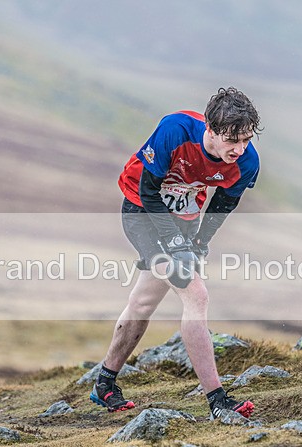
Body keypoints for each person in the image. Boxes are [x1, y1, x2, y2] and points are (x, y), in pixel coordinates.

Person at [90, 87, 262, 419]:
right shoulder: (175, 130)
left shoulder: (247, 161)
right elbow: (148, 191)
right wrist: (174, 245)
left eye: (246, 139)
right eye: (231, 140)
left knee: (143, 302)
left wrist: (198, 243)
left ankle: (104, 383)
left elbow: (223, 204)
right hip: (142, 210)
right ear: (210, 130)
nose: (239, 149)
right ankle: (217, 401)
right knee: (195, 294)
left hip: (183, 218)